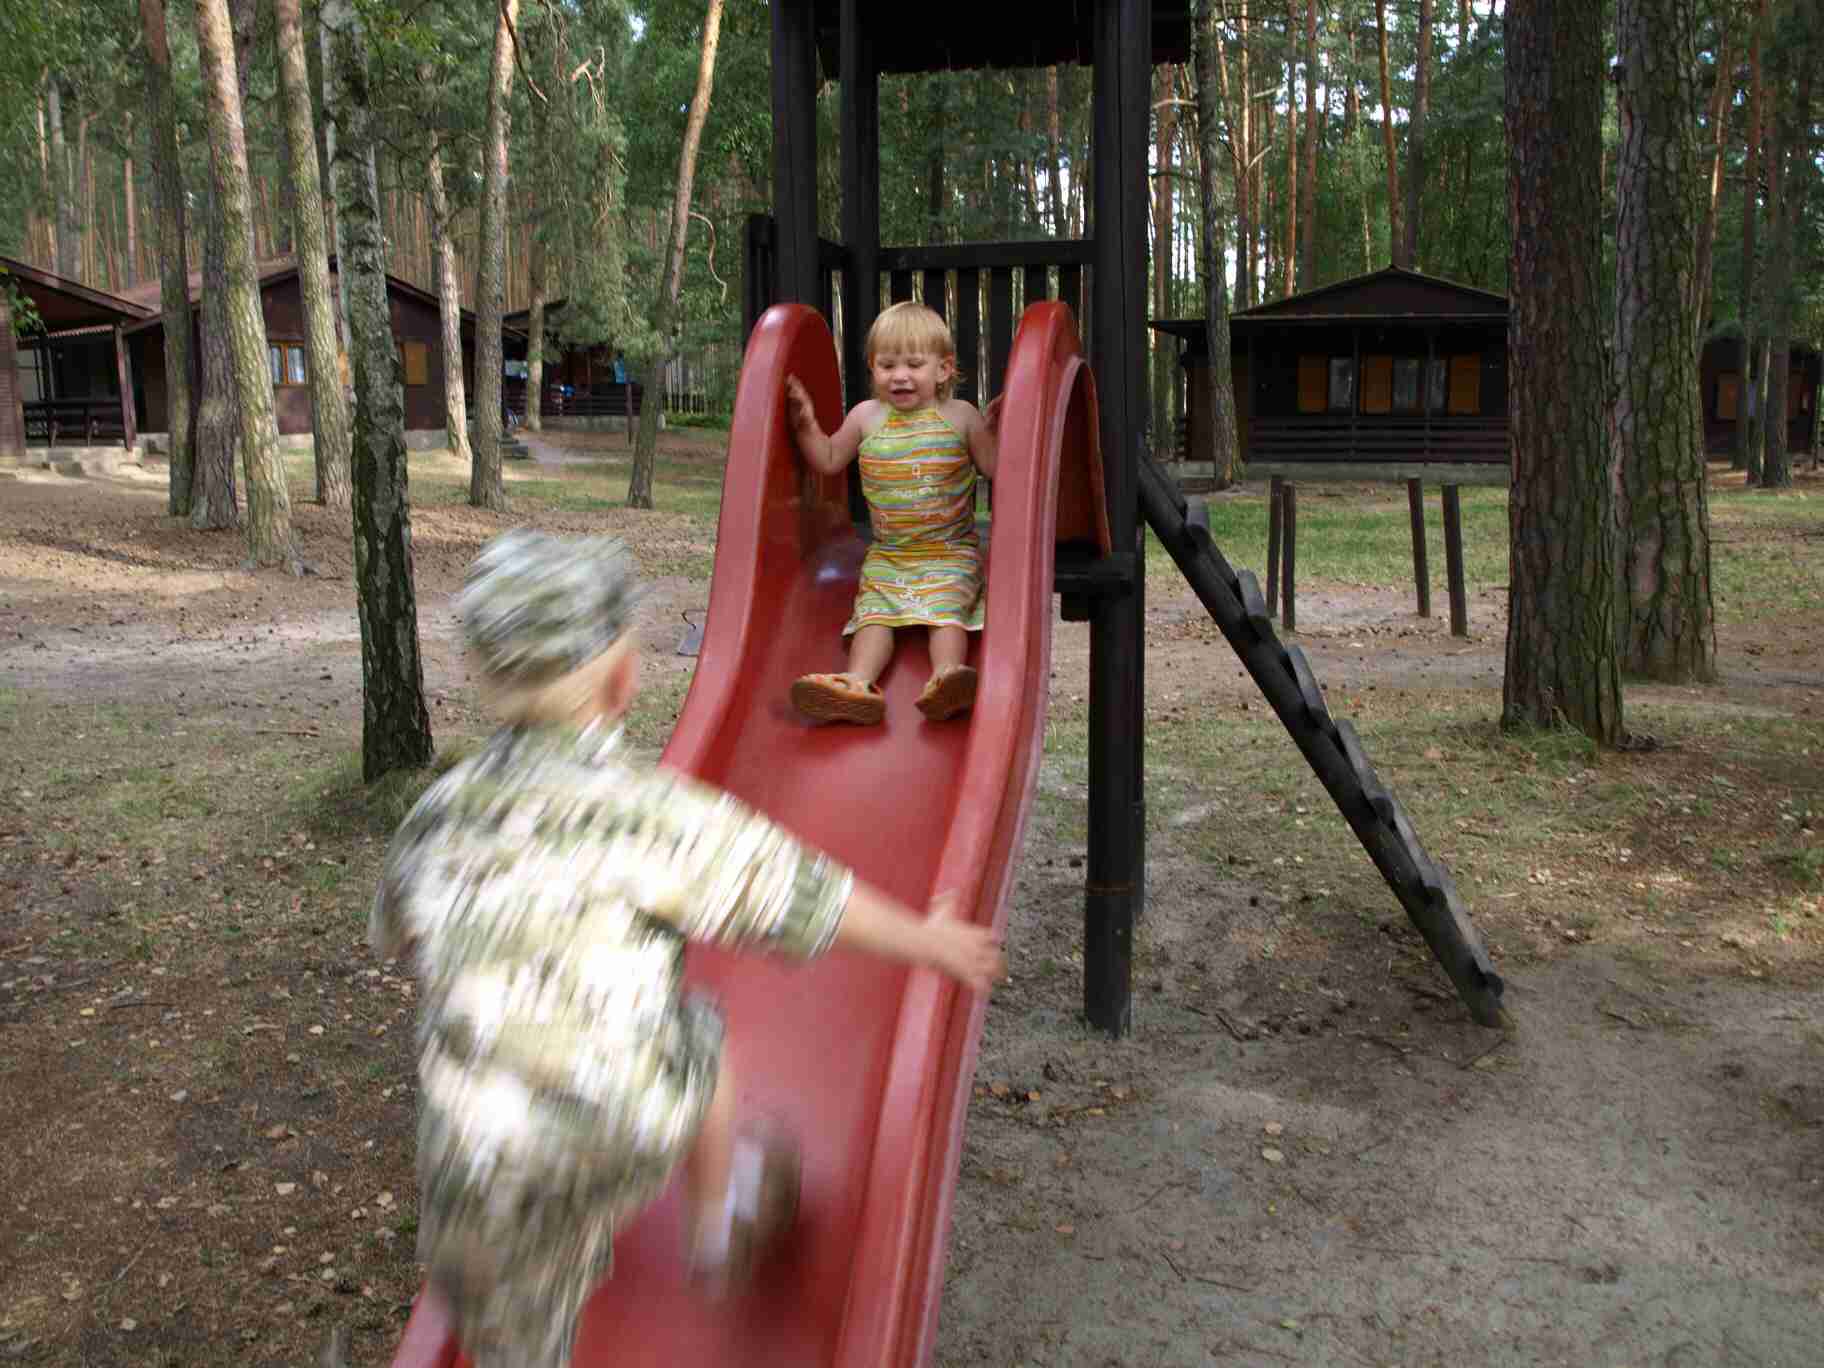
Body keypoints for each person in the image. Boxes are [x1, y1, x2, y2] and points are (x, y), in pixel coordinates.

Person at [369, 529, 1004, 1368]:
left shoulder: (438, 813)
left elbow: (398, 934)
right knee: (699, 1041)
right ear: (625, 680)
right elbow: (796, 891)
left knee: (514, 1332)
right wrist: (928, 939)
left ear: (485, 680)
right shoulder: (643, 812)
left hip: (472, 1155)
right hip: (616, 1117)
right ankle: (714, 1223)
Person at [784, 301, 997, 726]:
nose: (899, 375)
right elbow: (827, 459)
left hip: (949, 552)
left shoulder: (960, 418)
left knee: (945, 607)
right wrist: (806, 423)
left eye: (914, 364)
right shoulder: (866, 417)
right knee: (874, 614)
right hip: (890, 554)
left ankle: (947, 678)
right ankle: (857, 685)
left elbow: (996, 468)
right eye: (887, 365)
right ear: (873, 369)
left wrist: (1000, 428)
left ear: (943, 369)